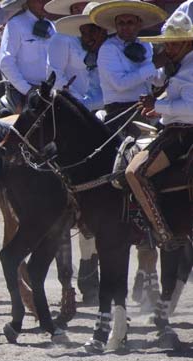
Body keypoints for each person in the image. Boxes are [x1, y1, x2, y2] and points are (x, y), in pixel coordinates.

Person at [125, 12, 193, 247]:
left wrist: (159, 105)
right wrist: (159, 106)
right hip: (174, 129)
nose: (169, 50)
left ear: (187, 43)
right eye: (167, 45)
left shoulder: (190, 68)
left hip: (182, 135)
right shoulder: (180, 65)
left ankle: (162, 231)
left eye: (172, 44)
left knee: (135, 172)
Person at [88, 0, 167, 126]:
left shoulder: (145, 44)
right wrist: (153, 65)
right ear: (115, 25)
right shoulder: (108, 48)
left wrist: (168, 64)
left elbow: (157, 81)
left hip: (148, 108)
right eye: (121, 23)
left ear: (139, 24)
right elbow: (120, 84)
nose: (125, 27)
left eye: (130, 22)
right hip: (120, 112)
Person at [0, 0, 55, 115]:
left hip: (50, 90)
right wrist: (28, 90)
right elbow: (6, 62)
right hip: (22, 92)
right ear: (28, 2)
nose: (44, 3)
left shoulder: (52, 26)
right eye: (40, 1)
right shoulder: (15, 24)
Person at [48, 11, 108, 111]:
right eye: (83, 33)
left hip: (107, 108)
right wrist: (76, 101)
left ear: (102, 31)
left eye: (92, 32)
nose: (87, 37)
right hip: (76, 106)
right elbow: (54, 76)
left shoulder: (111, 50)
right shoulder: (61, 39)